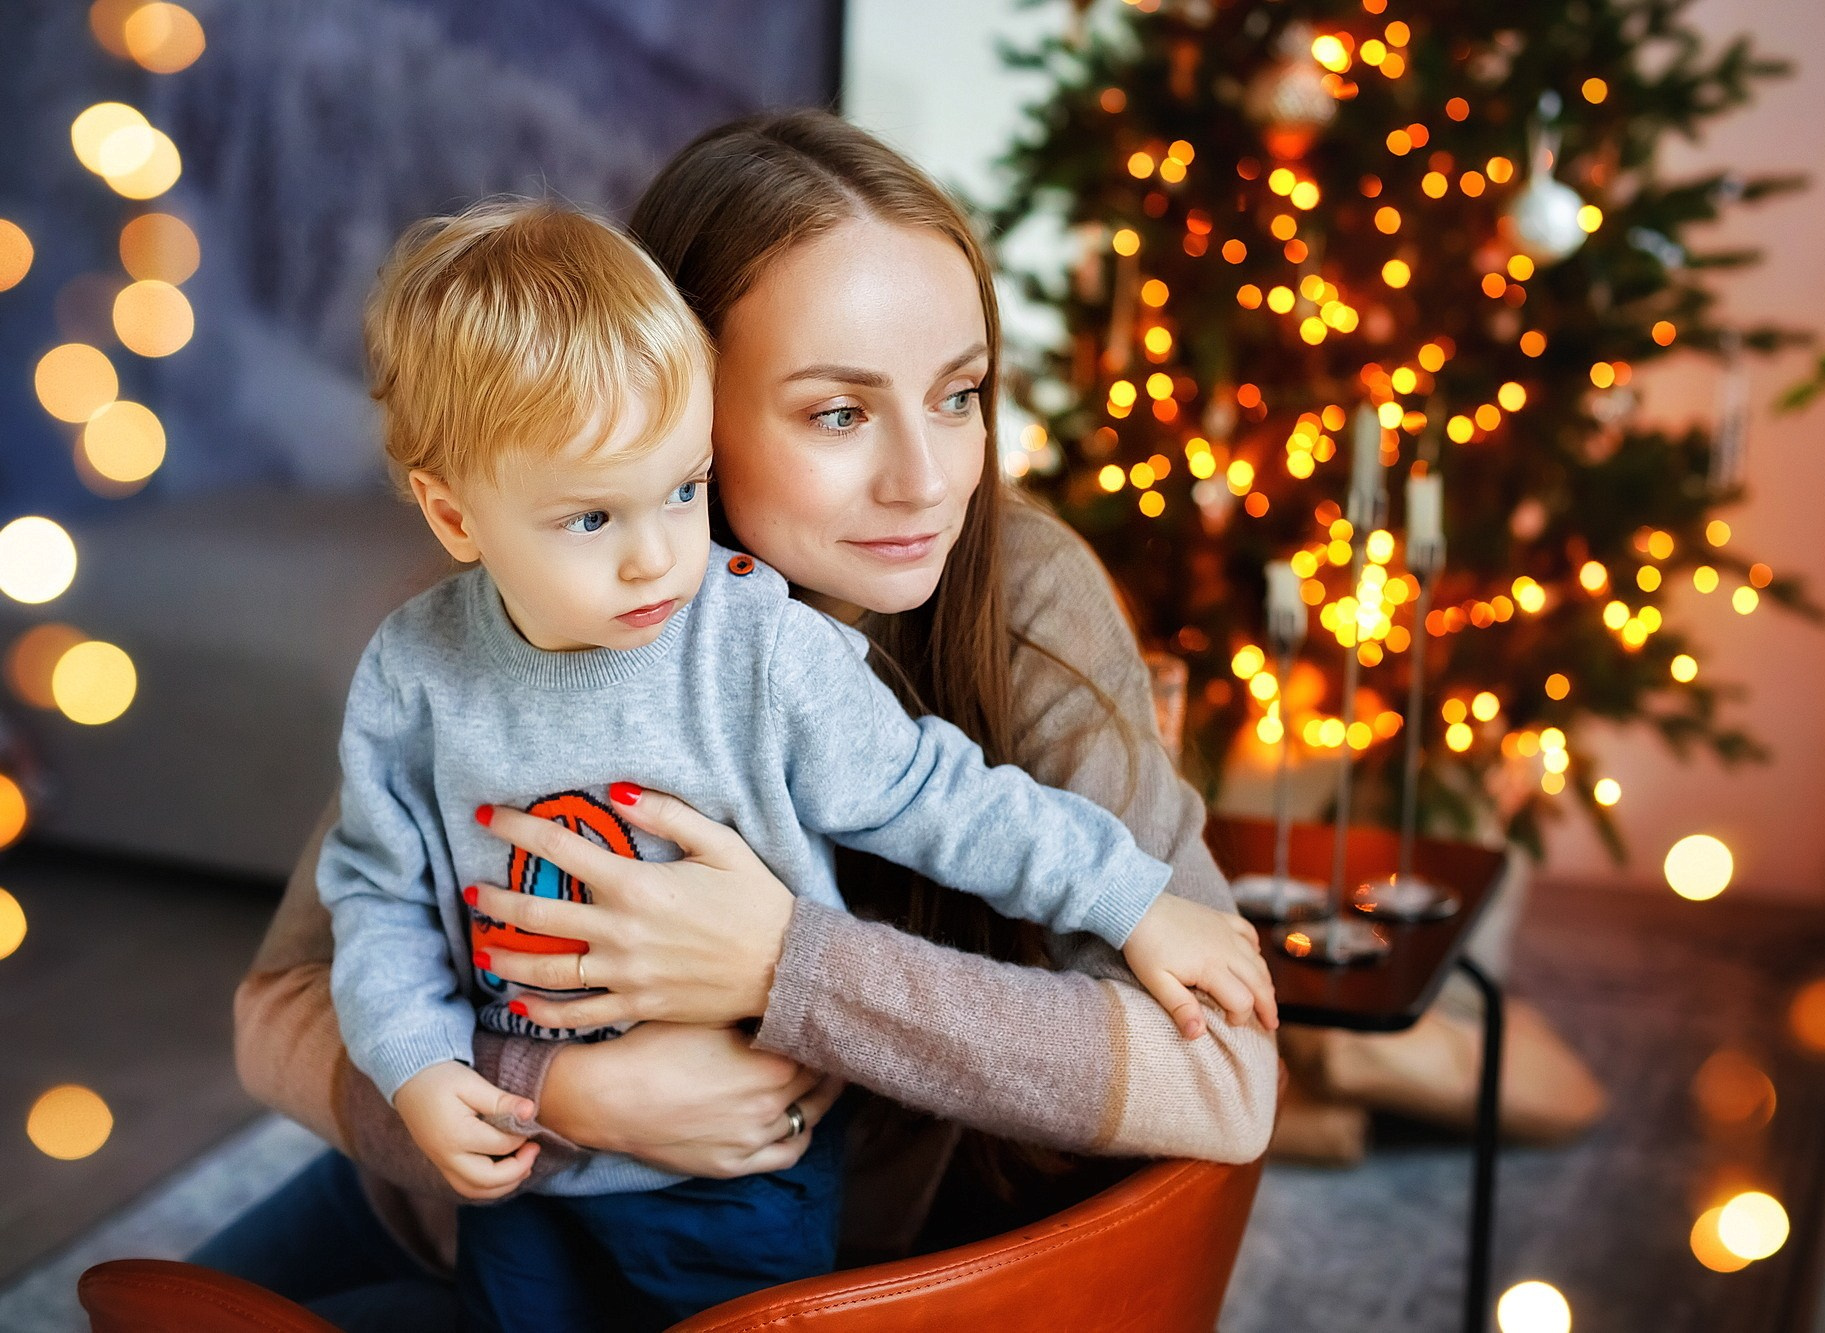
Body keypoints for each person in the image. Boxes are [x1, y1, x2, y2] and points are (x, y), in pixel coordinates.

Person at [200, 110, 1280, 1333]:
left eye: (960, 393)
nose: (925, 481)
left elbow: (1226, 1083)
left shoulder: (1015, 596)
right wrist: (557, 1093)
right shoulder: (520, 606)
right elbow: (278, 1005)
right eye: (836, 412)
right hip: (463, 1191)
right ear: (677, 392)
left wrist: (787, 965)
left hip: (756, 1244)